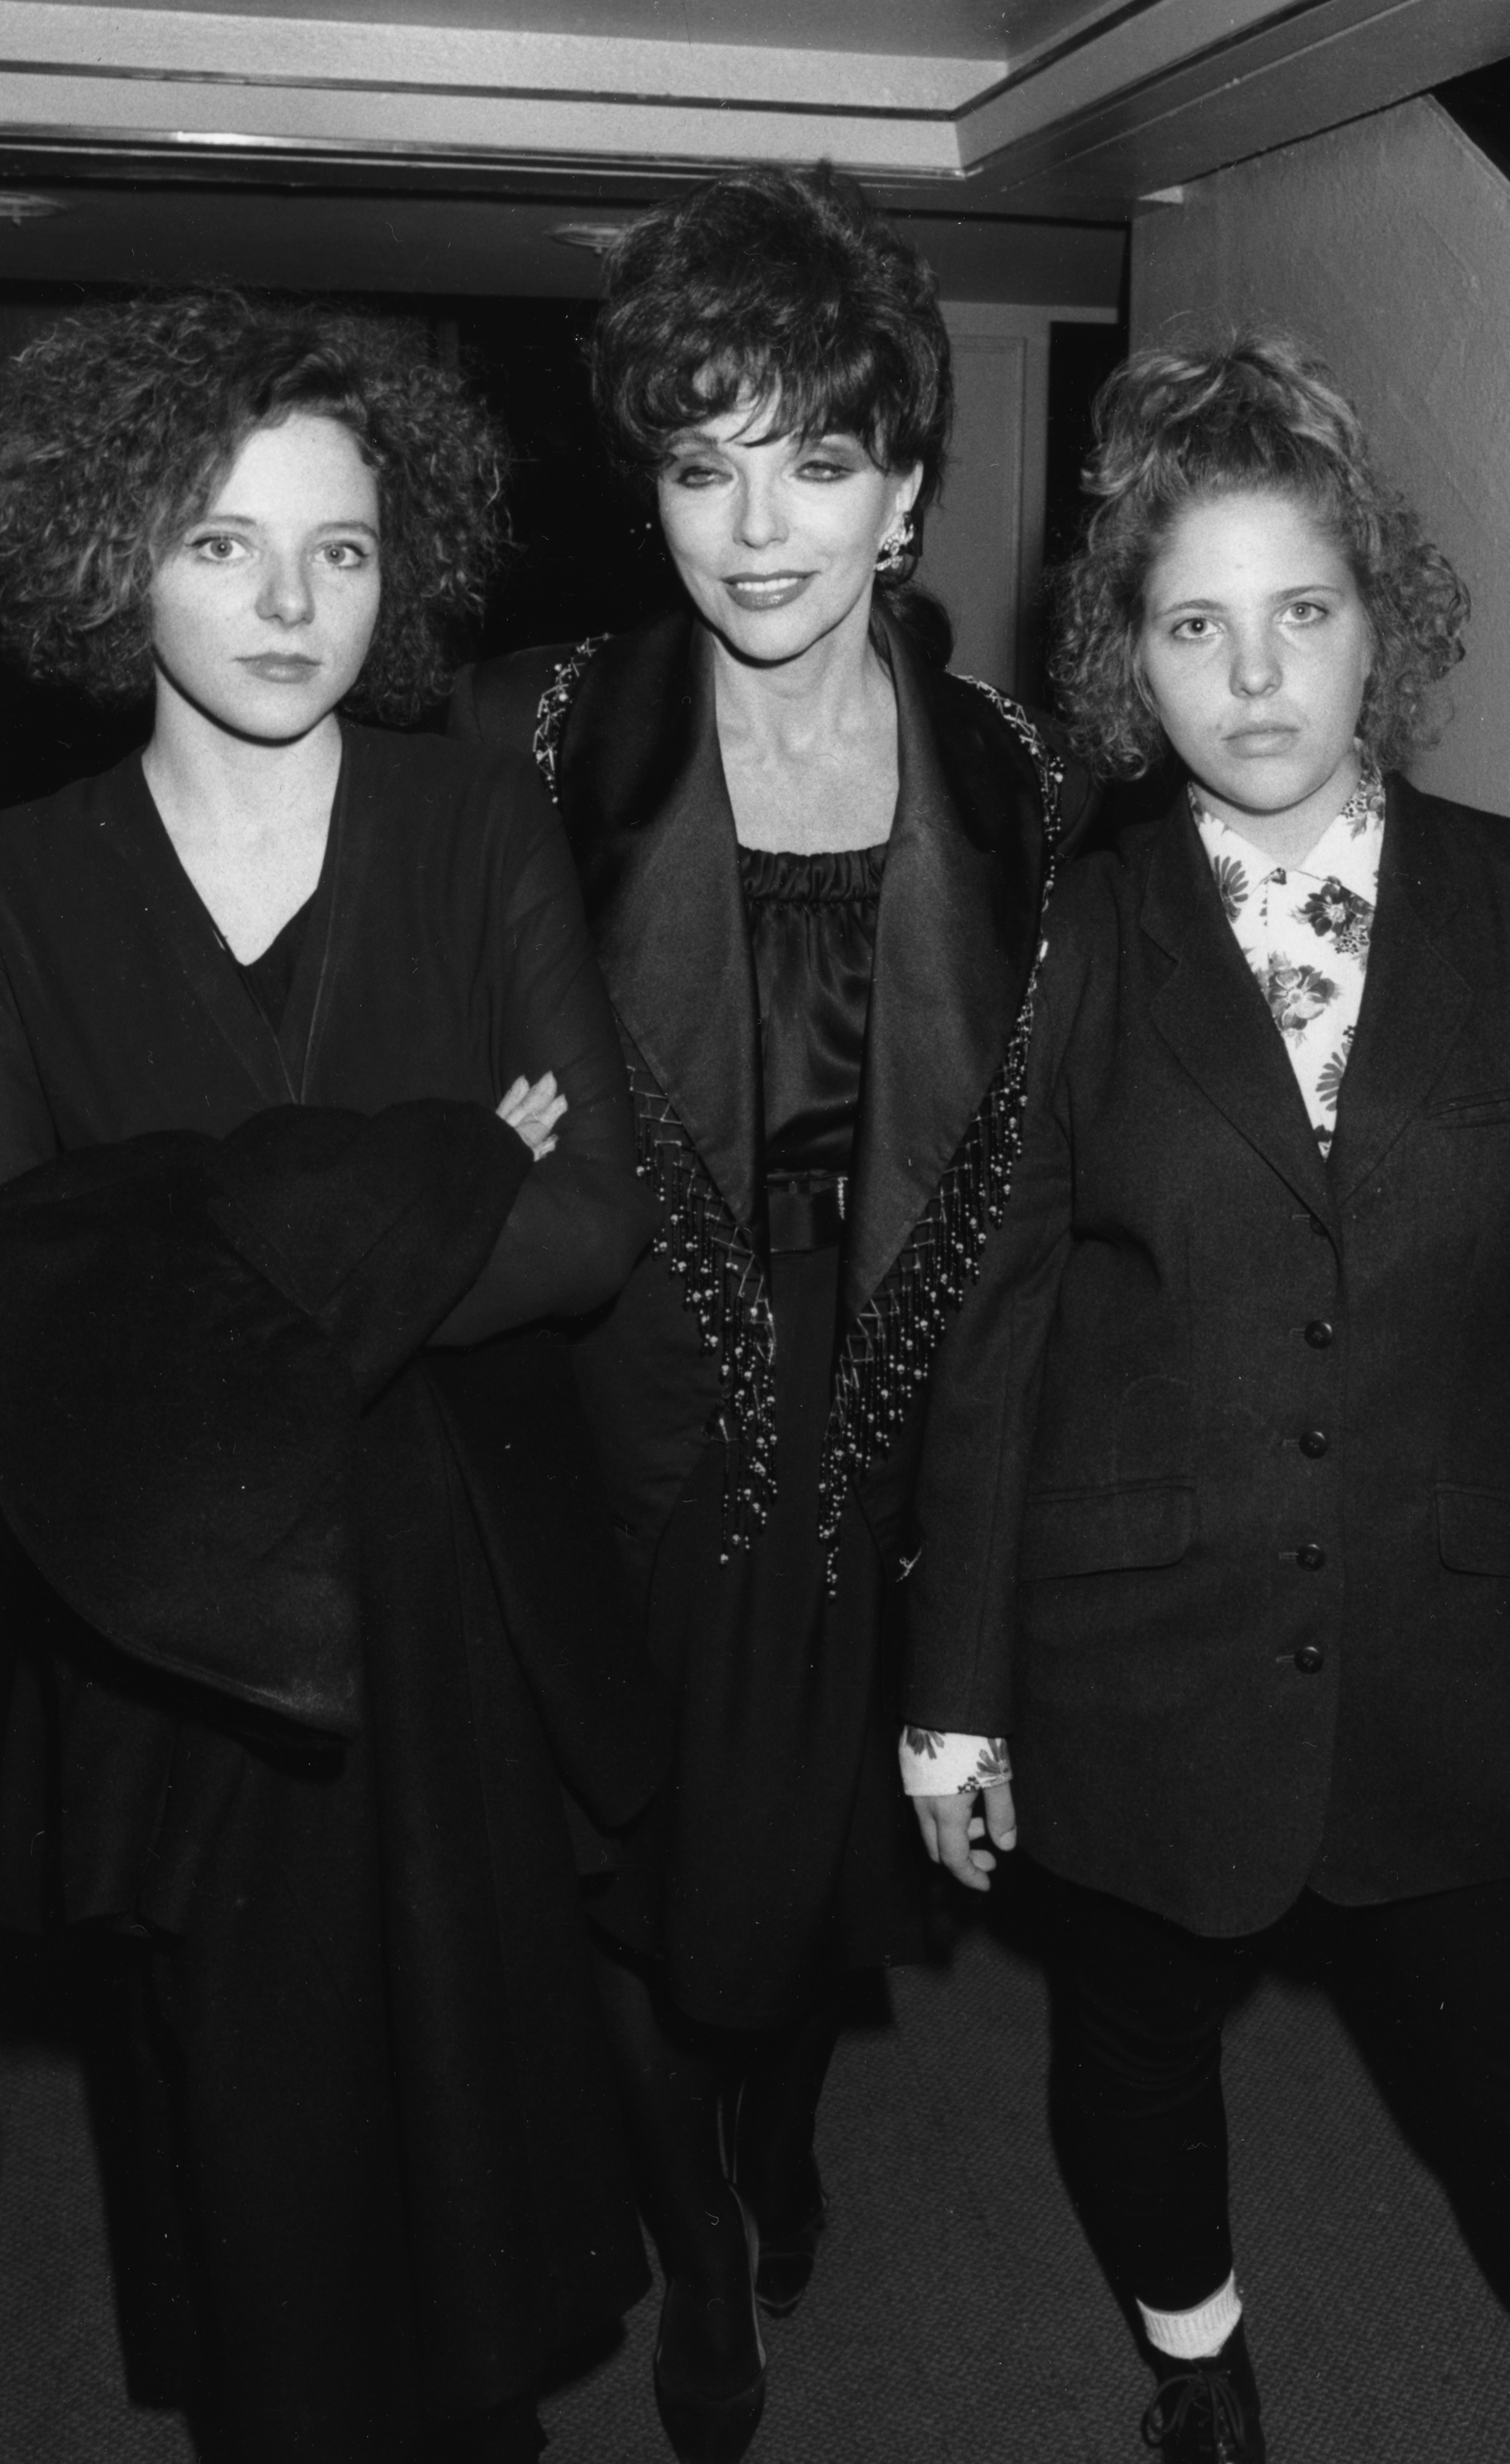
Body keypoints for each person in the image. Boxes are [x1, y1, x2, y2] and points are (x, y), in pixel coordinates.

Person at [902, 335, 1510, 2464]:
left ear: (1383, 617)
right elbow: (996, 1318)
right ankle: (1194, 2351)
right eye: (1193, 623)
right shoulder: (1063, 938)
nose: (1256, 674)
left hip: (1453, 1661)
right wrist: (953, 1685)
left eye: (1303, 610)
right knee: (1127, 2054)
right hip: (1130, 1652)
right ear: (1130, 656)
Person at [450, 163, 1092, 2462]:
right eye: (703, 458)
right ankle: (698, 2247)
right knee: (637, 1862)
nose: (754, 525)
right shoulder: (529, 737)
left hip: (882, 1409)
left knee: (814, 1867)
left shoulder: (1012, 774)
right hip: (612, 1395)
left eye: (814, 459)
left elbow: (1027, 1189)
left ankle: (781, 2134)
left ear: (904, 485)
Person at [0, 292, 666, 2464]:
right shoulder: (19, 882)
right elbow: (29, 1307)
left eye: (344, 550)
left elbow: (594, 1222)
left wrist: (199, 1231)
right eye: (224, 543)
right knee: (250, 2162)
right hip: (175, 1624)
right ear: (119, 553)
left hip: (451, 1599)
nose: (291, 603)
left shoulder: (474, 818)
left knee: (474, 2165)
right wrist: (430, 1163)